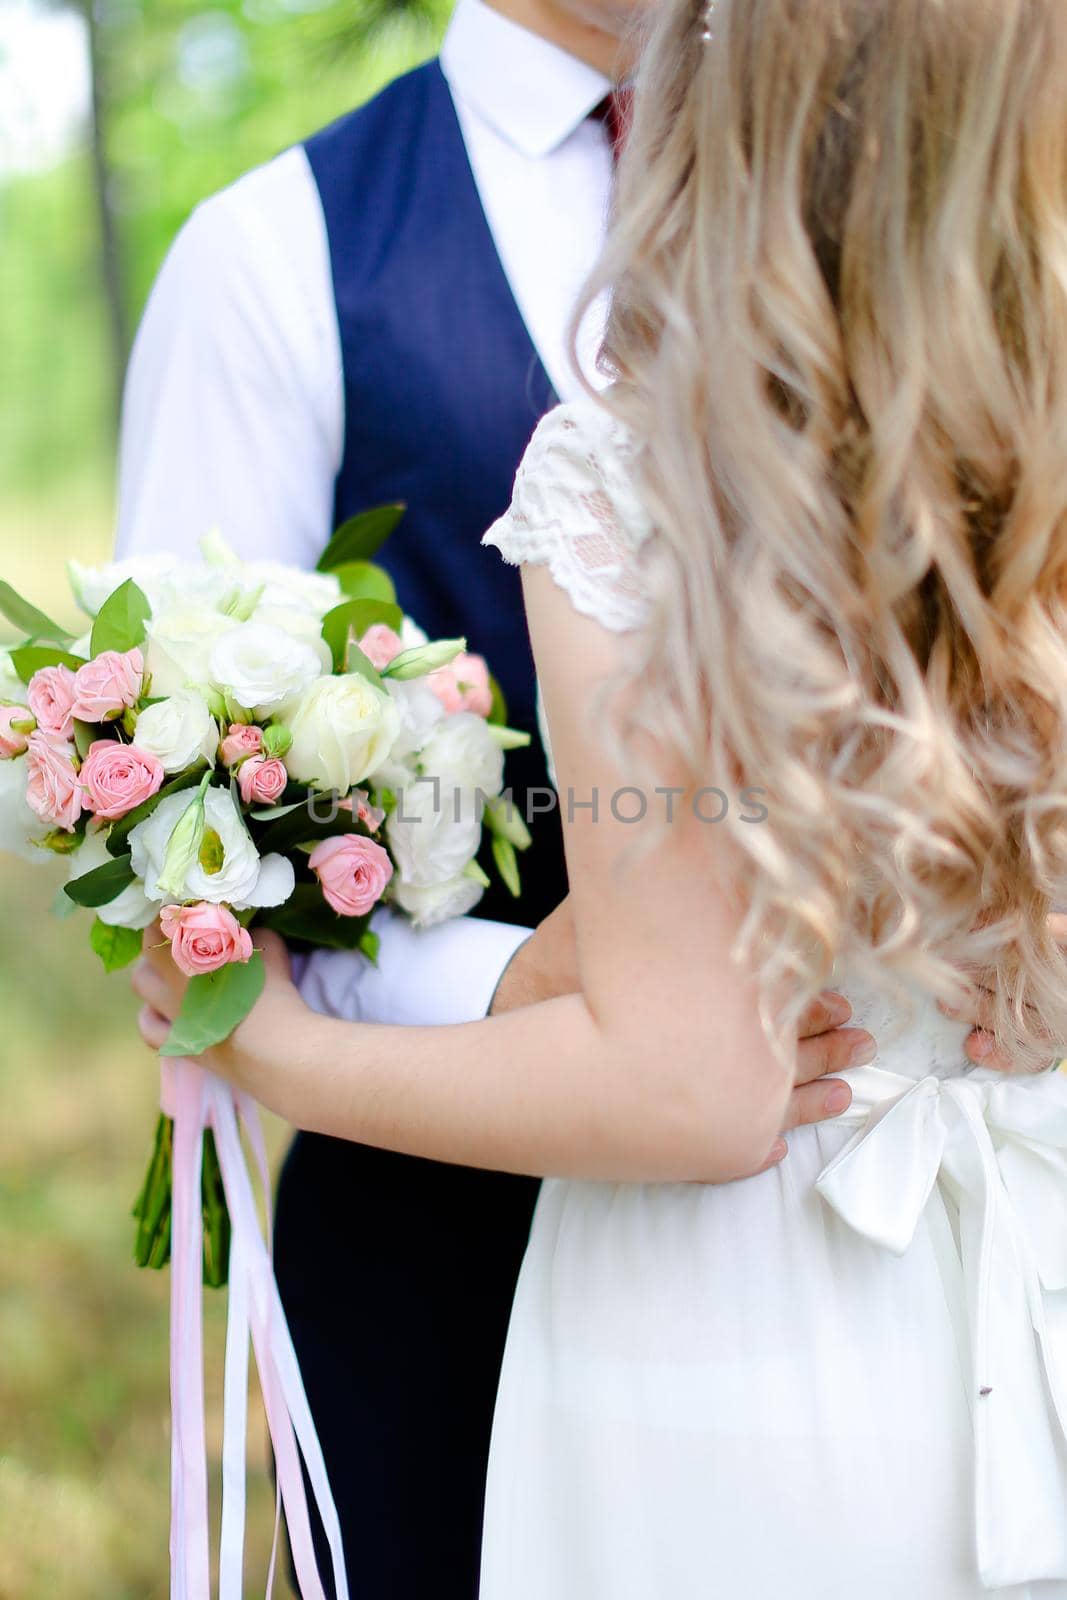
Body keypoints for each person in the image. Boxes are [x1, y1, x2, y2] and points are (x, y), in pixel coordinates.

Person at [132, 0, 1067, 1594]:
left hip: (807, 1277)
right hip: (434, 1235)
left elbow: (678, 1074)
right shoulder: (270, 254)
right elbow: (164, 811)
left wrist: (278, 1052)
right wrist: (514, 972)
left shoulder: (627, 463)